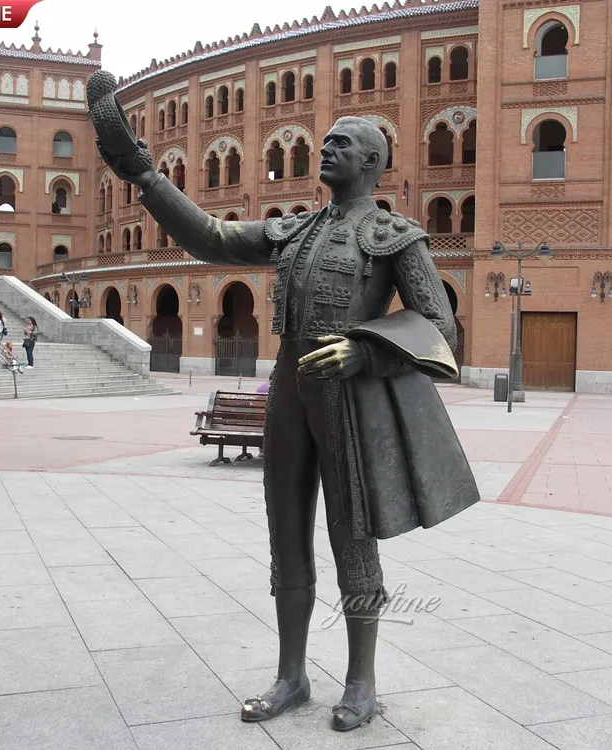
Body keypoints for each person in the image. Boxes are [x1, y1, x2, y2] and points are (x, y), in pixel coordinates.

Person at [97, 116, 479, 732]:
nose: (326, 150)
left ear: (374, 163)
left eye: (341, 145)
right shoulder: (295, 230)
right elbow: (212, 237)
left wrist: (368, 350)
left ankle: (361, 680)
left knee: (352, 537)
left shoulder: (394, 236)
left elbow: (441, 326)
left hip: (346, 399)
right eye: (324, 142)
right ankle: (291, 675)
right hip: (289, 393)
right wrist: (144, 175)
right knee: (286, 535)